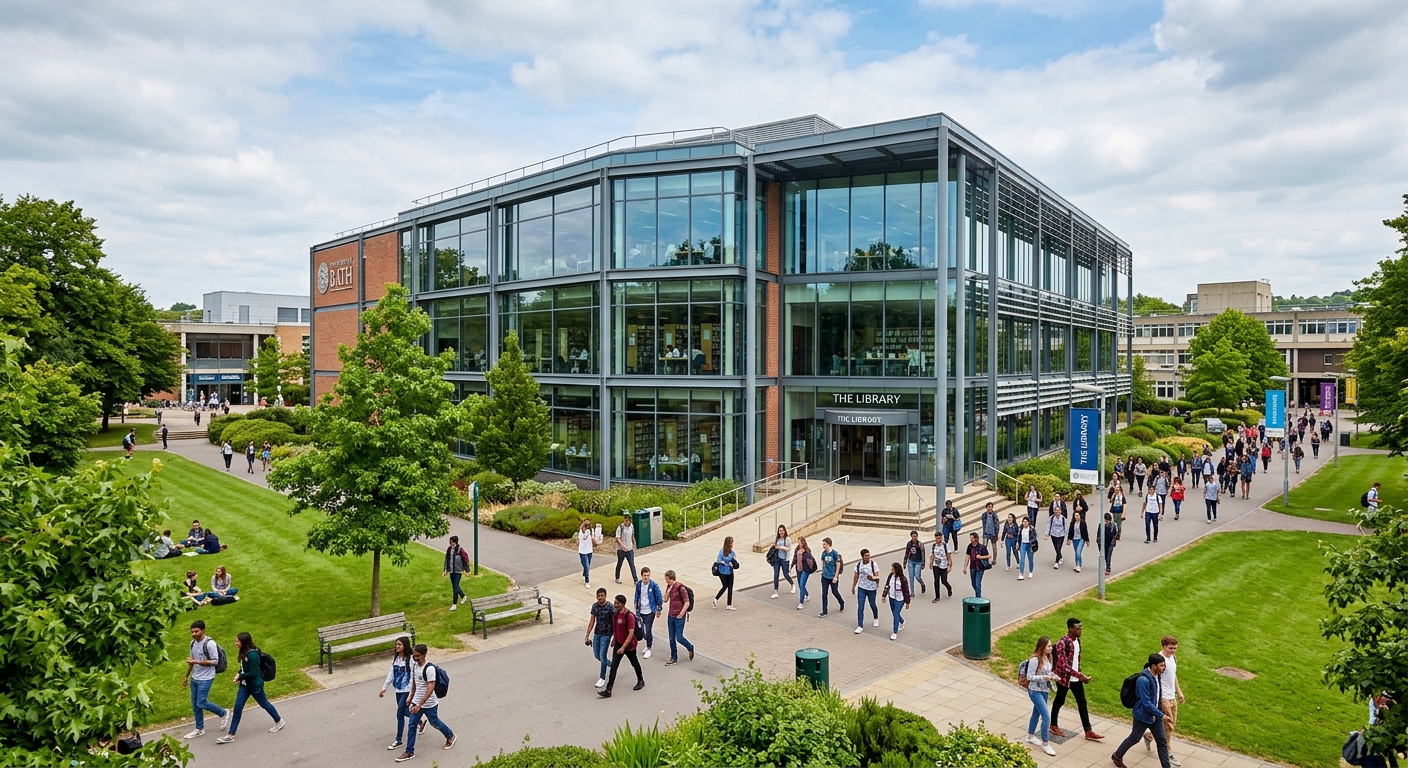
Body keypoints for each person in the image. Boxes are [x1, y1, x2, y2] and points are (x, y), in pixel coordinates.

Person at [215, 631, 285, 743]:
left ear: (243, 642)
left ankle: (279, 721)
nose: (235, 643)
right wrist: (239, 674)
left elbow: (254, 672)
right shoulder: (244, 653)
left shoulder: (252, 655)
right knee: (237, 708)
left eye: (237, 641)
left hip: (254, 685)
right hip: (245, 685)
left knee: (264, 704)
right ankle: (230, 735)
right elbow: (244, 668)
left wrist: (240, 676)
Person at [1110, 654, 1173, 768]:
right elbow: (1146, 703)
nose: (1164, 668)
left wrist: (1161, 710)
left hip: (1155, 715)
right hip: (1142, 716)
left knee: (1162, 741)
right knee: (1134, 738)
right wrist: (1162, 715)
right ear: (1154, 666)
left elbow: (1157, 695)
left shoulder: (1157, 676)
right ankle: (1117, 756)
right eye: (1162, 666)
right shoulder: (1143, 680)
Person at [396, 644, 456, 761]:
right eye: (414, 655)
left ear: (424, 655)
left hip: (429, 703)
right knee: (412, 725)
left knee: (435, 722)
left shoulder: (429, 669)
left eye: (418, 656)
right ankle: (409, 752)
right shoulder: (414, 666)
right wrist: (411, 697)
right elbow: (414, 684)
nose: (415, 657)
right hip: (416, 702)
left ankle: (450, 736)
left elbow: (430, 688)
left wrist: (419, 705)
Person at [1049, 617, 1103, 741]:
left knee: (1082, 702)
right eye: (1078, 628)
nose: (1080, 630)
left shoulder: (1077, 640)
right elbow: (1063, 666)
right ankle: (1053, 724)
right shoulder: (1062, 643)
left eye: (1081, 628)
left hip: (1075, 678)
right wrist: (1081, 676)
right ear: (1070, 629)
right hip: (1064, 678)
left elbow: (1075, 661)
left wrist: (1079, 674)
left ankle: (1088, 730)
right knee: (1060, 700)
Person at [182, 620, 229, 739]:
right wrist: (186, 676)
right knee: (195, 705)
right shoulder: (192, 643)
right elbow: (192, 660)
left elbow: (214, 661)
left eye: (196, 631)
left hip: (207, 677)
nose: (193, 634)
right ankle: (199, 728)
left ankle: (223, 713)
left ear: (203, 630)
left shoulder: (209, 643)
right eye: (192, 632)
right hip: (195, 677)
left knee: (201, 702)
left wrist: (196, 661)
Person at [1143, 635, 1186, 765]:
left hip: (1172, 696)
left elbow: (1173, 676)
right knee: (1169, 726)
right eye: (1170, 648)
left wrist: (1179, 692)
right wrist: (1161, 699)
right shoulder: (1159, 661)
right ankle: (1167, 752)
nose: (1173, 650)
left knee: (1171, 725)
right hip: (1163, 698)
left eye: (1175, 648)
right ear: (1164, 646)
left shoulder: (1173, 658)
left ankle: (1149, 735)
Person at [598, 594, 644, 697]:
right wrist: (614, 639)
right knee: (614, 667)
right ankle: (608, 690)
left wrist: (624, 647)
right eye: (615, 602)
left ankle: (640, 680)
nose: (615, 605)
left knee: (634, 662)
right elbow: (616, 628)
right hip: (618, 644)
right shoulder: (615, 615)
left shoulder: (629, 616)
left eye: (617, 603)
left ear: (623, 604)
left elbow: (631, 633)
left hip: (629, 645)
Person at [378, 636, 414, 752]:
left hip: (407, 690)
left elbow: (413, 675)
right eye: (396, 644)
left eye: (399, 644)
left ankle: (398, 739)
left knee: (399, 714)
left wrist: (413, 691)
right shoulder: (396, 659)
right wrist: (384, 688)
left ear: (405, 646)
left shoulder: (411, 659)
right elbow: (391, 673)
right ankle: (418, 721)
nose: (397, 646)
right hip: (398, 690)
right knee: (404, 711)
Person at [1024, 636, 1058, 757]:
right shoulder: (1034, 660)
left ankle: (1030, 736)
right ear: (1042, 647)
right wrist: (1043, 677)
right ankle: (1045, 743)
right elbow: (1029, 677)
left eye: (1051, 646)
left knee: (1036, 713)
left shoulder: (1048, 658)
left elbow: (1048, 672)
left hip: (1044, 690)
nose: (1051, 648)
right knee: (1046, 717)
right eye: (1049, 646)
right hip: (1035, 691)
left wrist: (1055, 676)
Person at [663, 570, 694, 665]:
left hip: (679, 616)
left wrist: (681, 614)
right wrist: (668, 591)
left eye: (668, 580)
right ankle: (673, 657)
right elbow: (665, 600)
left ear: (673, 579)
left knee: (679, 637)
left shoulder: (681, 588)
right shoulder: (669, 587)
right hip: (670, 615)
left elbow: (687, 602)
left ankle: (690, 647)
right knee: (671, 638)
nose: (666, 581)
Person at [585, 588, 614, 687]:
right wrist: (587, 635)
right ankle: (612, 665)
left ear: (605, 596)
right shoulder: (595, 606)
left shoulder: (610, 607)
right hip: (597, 633)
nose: (600, 597)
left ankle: (602, 677)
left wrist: (614, 637)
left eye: (602, 596)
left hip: (607, 634)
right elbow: (592, 621)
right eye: (599, 596)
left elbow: (614, 622)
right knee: (597, 655)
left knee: (602, 655)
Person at [633, 567, 663, 659]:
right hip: (640, 610)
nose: (646, 577)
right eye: (645, 575)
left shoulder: (654, 585)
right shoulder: (638, 584)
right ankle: (647, 643)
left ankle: (649, 648)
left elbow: (659, 597)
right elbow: (637, 595)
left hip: (650, 611)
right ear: (642, 575)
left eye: (648, 575)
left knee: (648, 629)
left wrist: (659, 609)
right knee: (641, 629)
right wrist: (635, 604)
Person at [851, 548, 881, 634]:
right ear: (862, 556)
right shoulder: (858, 565)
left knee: (872, 604)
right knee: (860, 606)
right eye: (866, 556)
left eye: (868, 555)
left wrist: (872, 578)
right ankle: (860, 625)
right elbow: (856, 576)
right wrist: (853, 587)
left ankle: (876, 618)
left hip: (871, 588)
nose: (868, 557)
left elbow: (877, 576)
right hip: (862, 588)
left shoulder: (873, 564)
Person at [881, 562, 911, 641]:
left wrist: (907, 602)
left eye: (893, 569)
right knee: (894, 613)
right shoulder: (890, 576)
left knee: (896, 613)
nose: (891, 570)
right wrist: (884, 595)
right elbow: (887, 585)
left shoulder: (903, 579)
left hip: (900, 599)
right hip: (892, 597)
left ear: (897, 570)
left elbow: (906, 591)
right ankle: (902, 621)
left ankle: (894, 632)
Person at [818, 537, 845, 617]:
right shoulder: (824, 553)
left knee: (835, 591)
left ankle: (841, 602)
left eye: (824, 544)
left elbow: (838, 565)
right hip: (825, 577)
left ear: (829, 544)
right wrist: (822, 571)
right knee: (824, 593)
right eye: (823, 544)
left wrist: (836, 577)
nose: (823, 546)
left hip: (833, 576)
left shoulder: (834, 553)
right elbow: (823, 562)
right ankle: (824, 610)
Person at [961, 532, 992, 598]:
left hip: (980, 568)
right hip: (972, 567)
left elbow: (989, 556)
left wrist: (981, 557)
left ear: (976, 538)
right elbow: (967, 557)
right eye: (970, 538)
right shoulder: (969, 547)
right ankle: (978, 593)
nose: (971, 539)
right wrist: (965, 567)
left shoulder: (982, 547)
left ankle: (978, 598)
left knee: (978, 584)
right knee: (973, 583)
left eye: (972, 538)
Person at [443, 535, 469, 610]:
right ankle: (463, 596)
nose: (451, 545)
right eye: (450, 543)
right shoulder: (449, 549)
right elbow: (447, 560)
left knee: (455, 587)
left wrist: (467, 570)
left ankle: (454, 604)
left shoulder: (460, 550)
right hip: (451, 571)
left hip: (458, 571)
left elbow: (465, 560)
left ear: (455, 542)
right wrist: (445, 570)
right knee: (455, 586)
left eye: (452, 543)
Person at [712, 536, 738, 610]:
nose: (732, 544)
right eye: (731, 542)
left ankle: (729, 604)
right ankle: (716, 599)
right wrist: (723, 562)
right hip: (722, 571)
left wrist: (733, 563)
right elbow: (718, 560)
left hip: (730, 571)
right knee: (724, 586)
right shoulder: (721, 551)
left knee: (730, 588)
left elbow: (734, 561)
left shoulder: (732, 553)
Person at [770, 525, 794, 599]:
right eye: (780, 531)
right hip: (777, 559)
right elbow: (775, 547)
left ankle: (792, 584)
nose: (781, 532)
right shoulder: (777, 539)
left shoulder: (787, 539)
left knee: (786, 574)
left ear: (785, 531)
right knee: (776, 574)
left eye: (782, 530)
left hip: (784, 559)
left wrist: (780, 547)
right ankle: (776, 591)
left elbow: (788, 549)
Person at [929, 530, 954, 602]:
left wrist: (950, 566)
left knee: (943, 581)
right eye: (937, 538)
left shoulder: (945, 546)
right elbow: (932, 555)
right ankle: (937, 596)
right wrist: (931, 563)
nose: (938, 540)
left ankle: (949, 588)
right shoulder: (934, 546)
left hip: (943, 565)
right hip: (936, 565)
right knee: (936, 581)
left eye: (939, 538)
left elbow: (949, 557)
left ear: (941, 538)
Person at [614, 512, 637, 584]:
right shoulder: (620, 527)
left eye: (627, 520)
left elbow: (632, 536)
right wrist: (623, 546)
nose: (626, 521)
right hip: (621, 550)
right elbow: (617, 538)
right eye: (625, 520)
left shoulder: (631, 527)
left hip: (629, 549)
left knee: (632, 564)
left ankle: (635, 580)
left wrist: (634, 543)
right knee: (619, 563)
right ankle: (617, 577)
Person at [577, 519, 601, 590]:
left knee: (587, 565)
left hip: (589, 550)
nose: (586, 526)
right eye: (585, 524)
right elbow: (578, 539)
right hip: (582, 551)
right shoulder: (580, 531)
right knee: (586, 565)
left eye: (588, 524)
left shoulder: (591, 530)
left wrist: (595, 542)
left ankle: (584, 575)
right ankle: (587, 581)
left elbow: (593, 538)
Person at [793, 537, 816, 608]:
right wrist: (791, 566)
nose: (799, 543)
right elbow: (795, 558)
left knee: (802, 584)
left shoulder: (807, 550)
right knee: (800, 585)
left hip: (805, 570)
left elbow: (810, 560)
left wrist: (811, 568)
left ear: (803, 542)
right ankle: (807, 594)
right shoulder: (797, 549)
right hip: (798, 569)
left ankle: (801, 602)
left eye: (800, 542)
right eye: (798, 542)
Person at [903, 530, 927, 596]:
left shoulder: (920, 544)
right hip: (911, 562)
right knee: (911, 577)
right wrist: (904, 562)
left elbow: (923, 554)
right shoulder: (909, 544)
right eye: (913, 536)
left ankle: (922, 584)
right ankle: (912, 592)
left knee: (917, 576)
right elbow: (906, 553)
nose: (914, 538)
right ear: (911, 536)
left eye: (915, 536)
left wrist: (923, 563)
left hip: (918, 562)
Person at [1046, 502, 1068, 569]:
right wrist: (1046, 534)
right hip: (1053, 534)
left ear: (1060, 511)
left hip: (1061, 534)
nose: (1057, 511)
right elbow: (1048, 526)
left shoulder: (1063, 518)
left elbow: (1066, 527)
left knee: (1059, 547)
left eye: (1058, 510)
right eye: (1056, 510)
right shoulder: (1051, 518)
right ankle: (1060, 556)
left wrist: (1067, 538)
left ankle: (1056, 562)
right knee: (1056, 547)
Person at [980, 502, 1001, 567]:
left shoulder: (994, 515)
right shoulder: (984, 515)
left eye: (991, 507)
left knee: (994, 547)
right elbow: (984, 524)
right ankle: (984, 559)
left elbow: (997, 525)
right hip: (986, 533)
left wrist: (996, 534)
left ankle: (994, 560)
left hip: (993, 534)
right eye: (989, 507)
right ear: (986, 508)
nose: (990, 508)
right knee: (984, 547)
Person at [1017, 516, 1037, 581]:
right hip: (1023, 543)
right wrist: (1017, 543)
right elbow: (1018, 536)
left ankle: (1030, 571)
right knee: (1022, 558)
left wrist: (1032, 542)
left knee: (1030, 558)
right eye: (1023, 522)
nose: (1025, 523)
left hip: (1030, 544)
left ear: (1028, 522)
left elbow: (1035, 536)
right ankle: (1021, 573)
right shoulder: (1020, 528)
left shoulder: (1032, 529)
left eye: (1026, 522)